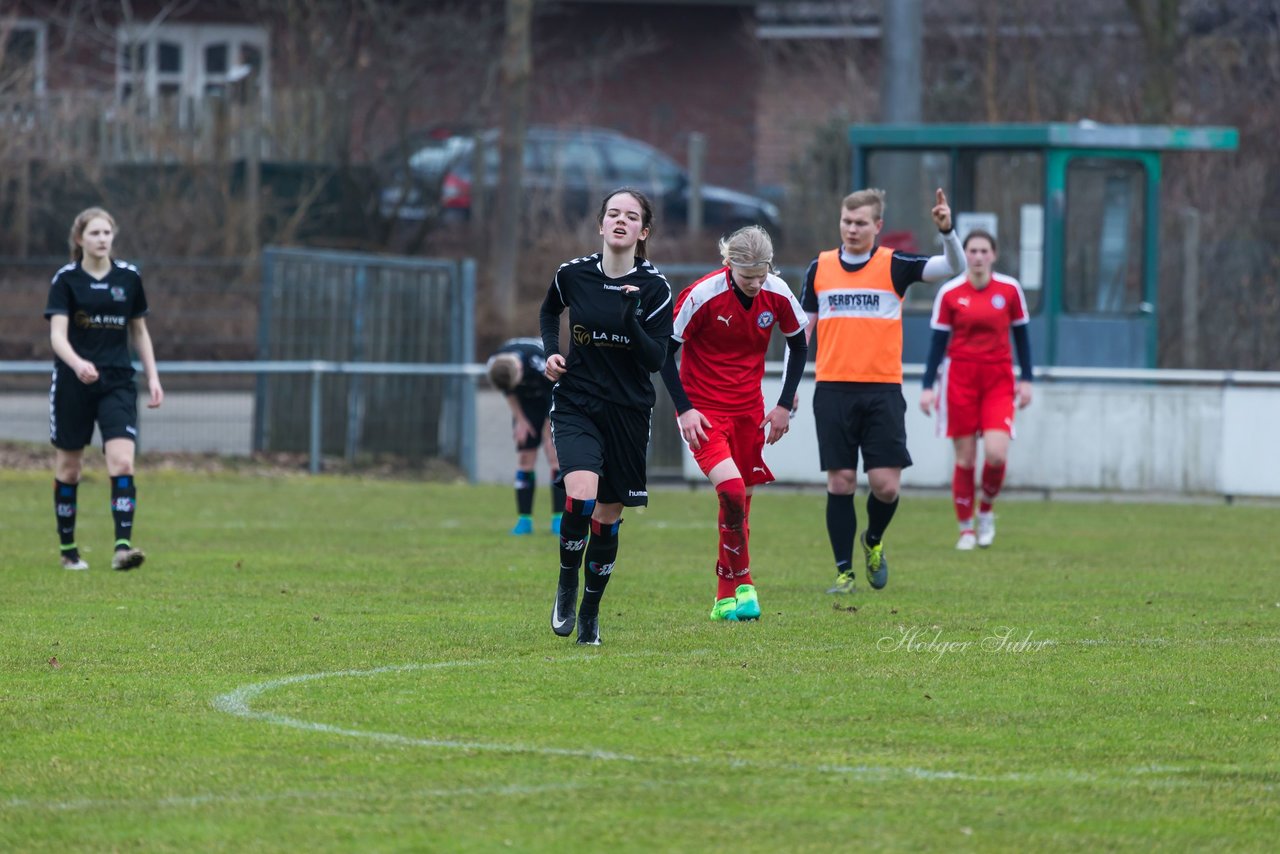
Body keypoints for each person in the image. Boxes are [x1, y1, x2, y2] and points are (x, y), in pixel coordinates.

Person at [801, 188, 964, 594]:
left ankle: (872, 540)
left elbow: (953, 266)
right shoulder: (819, 268)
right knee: (840, 481)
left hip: (882, 390)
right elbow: (802, 332)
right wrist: (790, 387)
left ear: (877, 226)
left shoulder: (895, 266)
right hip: (833, 389)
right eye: (846, 221)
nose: (852, 229)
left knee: (885, 486)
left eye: (860, 223)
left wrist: (948, 230)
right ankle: (844, 572)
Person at [539, 187, 673, 645]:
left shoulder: (655, 287)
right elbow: (548, 310)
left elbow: (656, 359)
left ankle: (591, 612)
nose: (620, 221)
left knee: (608, 518)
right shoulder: (573, 274)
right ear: (600, 225)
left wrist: (631, 318)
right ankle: (566, 583)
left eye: (630, 216)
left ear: (642, 231)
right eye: (612, 214)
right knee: (580, 497)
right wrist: (550, 354)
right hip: (577, 401)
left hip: (629, 413)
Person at [659, 226, 808, 622]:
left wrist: (782, 405)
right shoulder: (702, 295)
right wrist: (684, 409)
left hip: (749, 413)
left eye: (762, 275)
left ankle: (725, 598)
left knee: (740, 506)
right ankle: (745, 583)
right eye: (747, 278)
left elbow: (799, 342)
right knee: (731, 490)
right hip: (704, 413)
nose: (756, 285)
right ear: (728, 265)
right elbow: (664, 354)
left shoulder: (776, 291)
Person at [45, 207, 163, 571]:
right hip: (73, 383)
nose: (102, 239)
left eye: (107, 233)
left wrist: (153, 376)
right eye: (94, 233)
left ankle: (122, 548)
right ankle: (68, 550)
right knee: (69, 469)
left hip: (117, 382)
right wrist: (78, 364)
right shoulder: (66, 280)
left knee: (123, 461)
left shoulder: (128, 278)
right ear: (80, 239)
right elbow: (57, 336)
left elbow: (139, 332)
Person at [919, 229, 1034, 550]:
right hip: (960, 379)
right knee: (966, 458)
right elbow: (937, 344)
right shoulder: (950, 293)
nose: (979, 257)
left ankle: (985, 511)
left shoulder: (1010, 290)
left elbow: (1022, 338)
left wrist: (1027, 379)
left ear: (994, 255)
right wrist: (927, 387)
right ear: (965, 254)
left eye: (985, 251)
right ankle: (966, 529)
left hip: (998, 379)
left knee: (996, 455)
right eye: (973, 251)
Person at [486, 338, 565, 535]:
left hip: (552, 400)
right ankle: (524, 521)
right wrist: (520, 419)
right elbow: (508, 390)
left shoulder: (539, 361)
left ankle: (558, 519)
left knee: (554, 455)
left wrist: (550, 427)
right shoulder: (496, 364)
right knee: (525, 458)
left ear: (520, 370)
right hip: (526, 407)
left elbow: (557, 389)